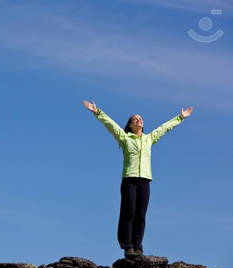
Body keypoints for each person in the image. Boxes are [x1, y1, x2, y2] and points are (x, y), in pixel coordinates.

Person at [82, 100, 194, 259]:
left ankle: (138, 246)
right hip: (129, 179)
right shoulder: (125, 138)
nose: (138, 120)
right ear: (130, 125)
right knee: (129, 212)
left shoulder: (149, 139)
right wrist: (97, 112)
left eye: (140, 118)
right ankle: (127, 247)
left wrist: (181, 117)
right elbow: (111, 125)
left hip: (145, 180)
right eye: (135, 119)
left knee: (141, 214)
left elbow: (164, 128)